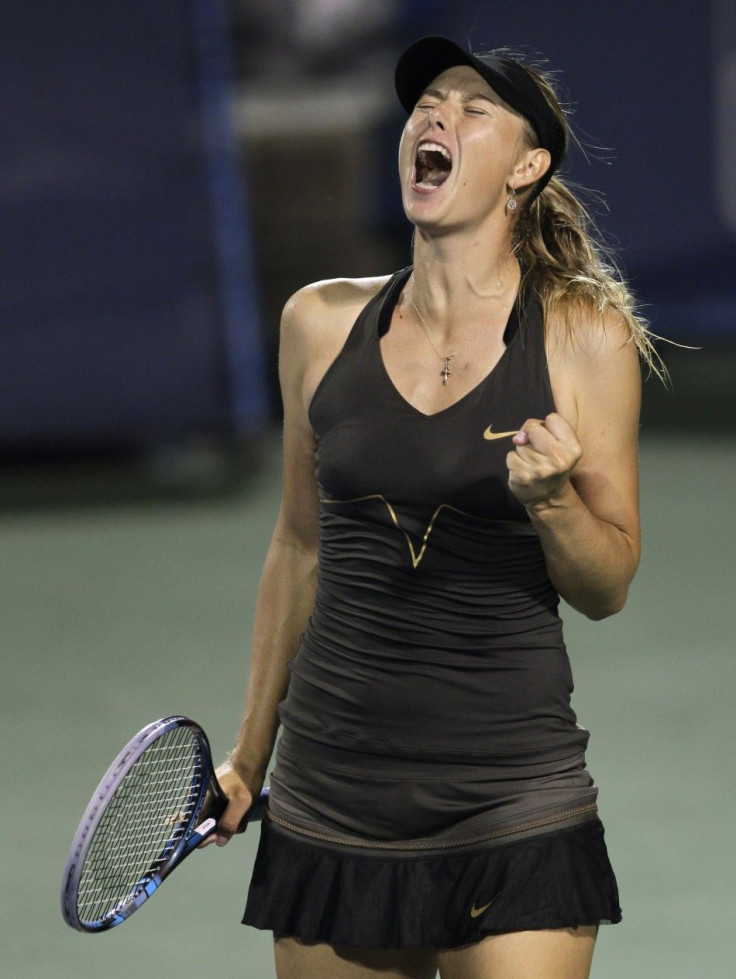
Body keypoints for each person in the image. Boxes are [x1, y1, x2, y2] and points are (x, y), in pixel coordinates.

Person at [208, 35, 659, 979]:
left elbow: (608, 582)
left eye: (473, 108)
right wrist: (252, 755)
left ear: (526, 168)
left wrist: (553, 506)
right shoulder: (318, 323)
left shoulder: (585, 337)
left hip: (513, 799)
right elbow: (298, 547)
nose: (436, 117)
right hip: (332, 796)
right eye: (427, 104)